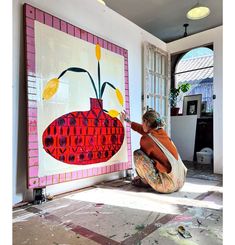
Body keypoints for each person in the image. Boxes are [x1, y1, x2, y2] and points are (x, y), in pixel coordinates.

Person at [120, 109, 187, 193]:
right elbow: (142, 129)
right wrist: (127, 121)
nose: (142, 124)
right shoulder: (162, 133)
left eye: (143, 122)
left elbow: (146, 160)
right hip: (179, 182)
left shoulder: (146, 139)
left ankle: (144, 181)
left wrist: (141, 176)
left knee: (138, 154)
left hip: (167, 186)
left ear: (147, 123)